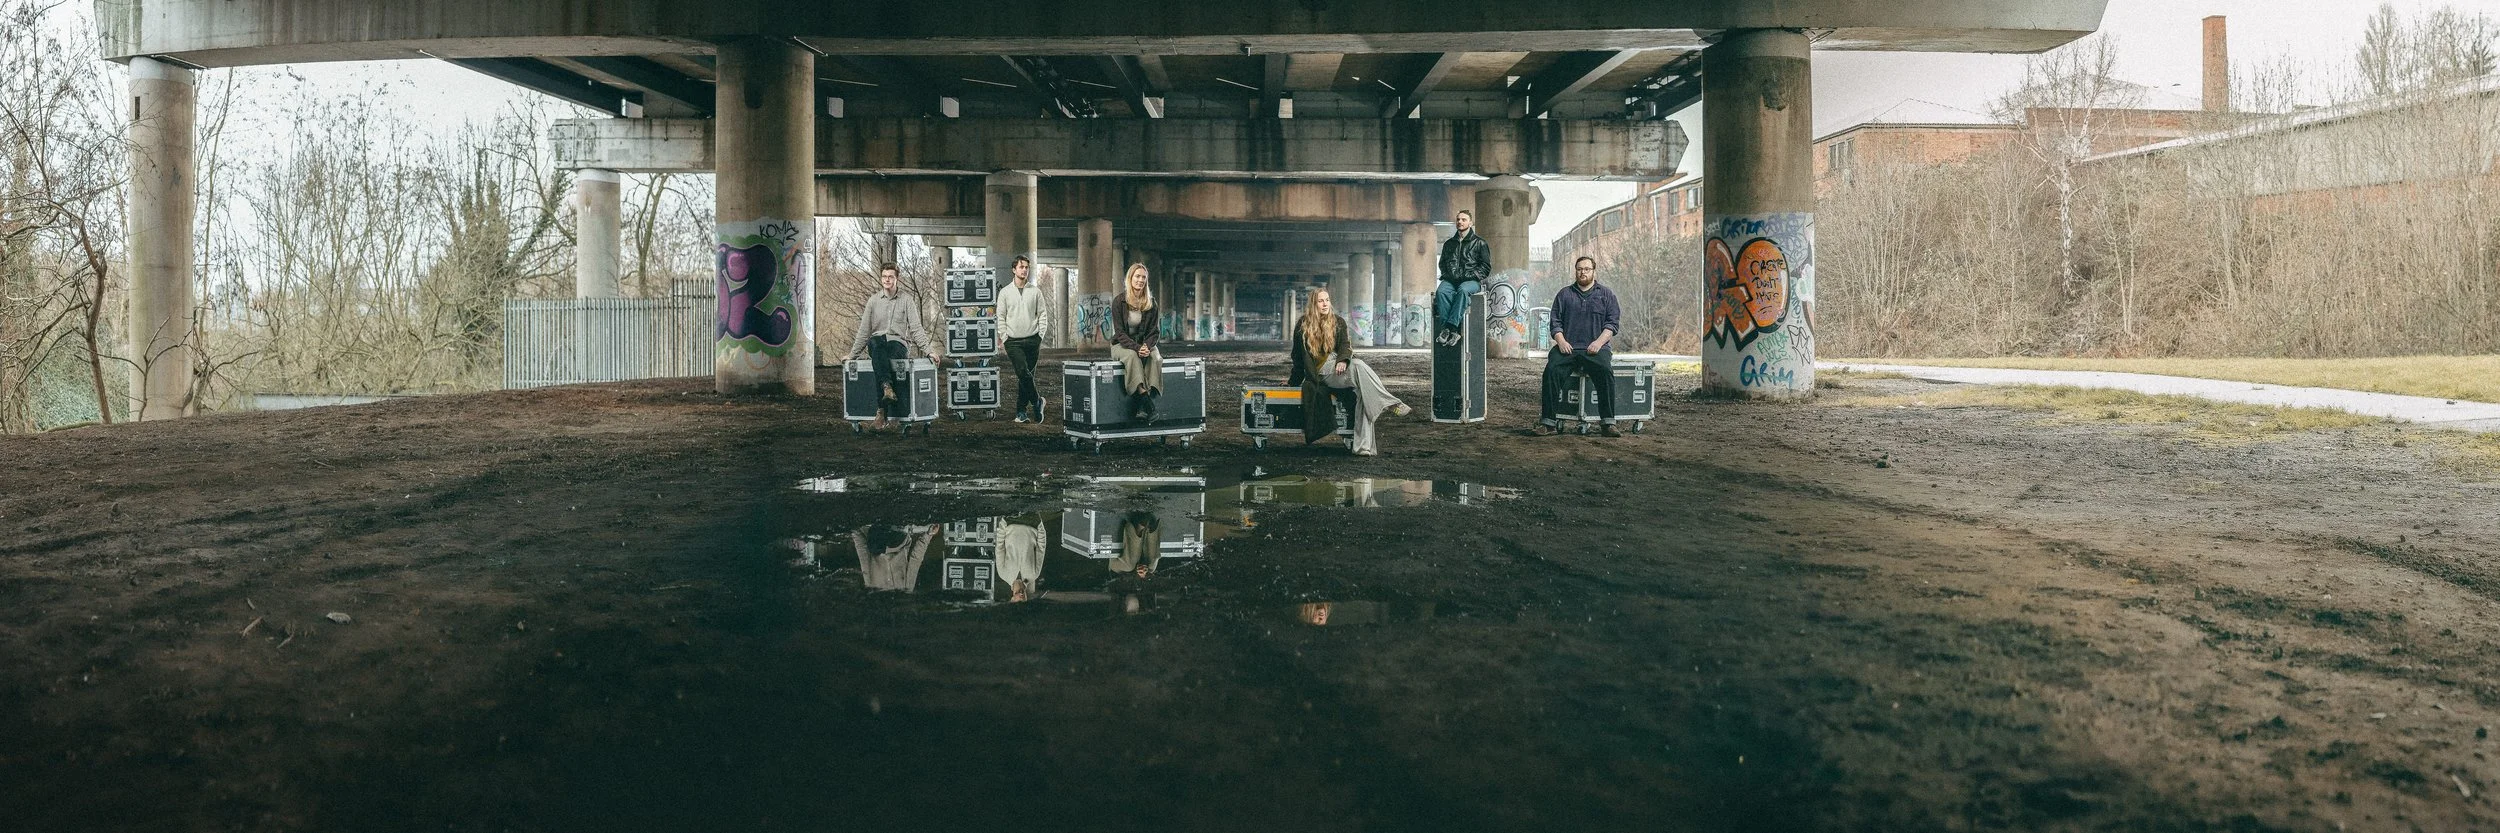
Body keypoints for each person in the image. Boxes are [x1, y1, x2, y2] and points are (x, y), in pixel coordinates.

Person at [1287, 288, 1412, 457]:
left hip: (1339, 367)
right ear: (1313, 304)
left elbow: (1345, 345)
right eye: (1320, 301)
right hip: (1322, 374)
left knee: (1363, 394)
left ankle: (1363, 448)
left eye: (1327, 300)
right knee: (1359, 366)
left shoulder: (1338, 321)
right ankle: (1389, 403)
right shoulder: (1302, 325)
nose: (1325, 304)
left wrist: (1342, 360)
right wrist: (1292, 382)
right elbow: (1298, 358)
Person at [1533, 256, 1623, 437]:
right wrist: (1561, 342)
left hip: (1596, 349)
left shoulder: (1606, 295)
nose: (1583, 272)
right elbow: (1555, 323)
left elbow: (1612, 324)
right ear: (1575, 271)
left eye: (1587, 269)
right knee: (1551, 370)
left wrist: (1598, 343)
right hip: (1568, 348)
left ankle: (1608, 423)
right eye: (1579, 269)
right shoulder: (1564, 294)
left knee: (1605, 371)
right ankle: (1548, 423)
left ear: (1594, 271)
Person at [847, 264, 932, 430]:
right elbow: (864, 331)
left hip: (897, 343)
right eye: (884, 276)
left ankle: (882, 412)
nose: (887, 279)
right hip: (877, 342)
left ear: (896, 279)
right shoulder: (873, 301)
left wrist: (929, 351)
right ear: (881, 278)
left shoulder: (906, 300)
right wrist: (852, 356)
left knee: (881, 357)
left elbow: (916, 328)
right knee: (875, 344)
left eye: (890, 276)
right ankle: (887, 387)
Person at [1107, 263, 1163, 422]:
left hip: (1144, 345)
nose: (1140, 280)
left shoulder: (1151, 303)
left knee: (1155, 357)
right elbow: (1120, 333)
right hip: (1122, 346)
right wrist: (1138, 348)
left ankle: (1142, 405)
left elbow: (1154, 332)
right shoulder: (1119, 301)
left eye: (1143, 277)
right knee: (1132, 356)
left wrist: (1147, 346)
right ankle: (1147, 404)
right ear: (1130, 279)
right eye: (1137, 276)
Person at [997, 255, 1049, 423]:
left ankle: (1021, 412)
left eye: (1027, 267)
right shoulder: (1005, 293)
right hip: (1013, 341)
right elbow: (1000, 317)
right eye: (1021, 267)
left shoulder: (1035, 292)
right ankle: (1037, 401)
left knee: (1026, 376)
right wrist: (1004, 338)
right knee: (1022, 371)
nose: (1025, 270)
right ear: (1014, 269)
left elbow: (1042, 315)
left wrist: (1040, 335)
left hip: (1033, 340)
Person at [1433, 209, 1490, 347]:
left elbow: (1486, 267)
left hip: (1471, 281)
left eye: (1464, 219)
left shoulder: (1480, 243)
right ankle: (1448, 330)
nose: (1460, 222)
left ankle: (1452, 327)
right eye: (1458, 219)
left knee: (1463, 290)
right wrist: (1448, 275)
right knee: (1441, 292)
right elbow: (1442, 264)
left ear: (1470, 222)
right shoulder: (1449, 244)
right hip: (1451, 280)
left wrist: (1470, 275)